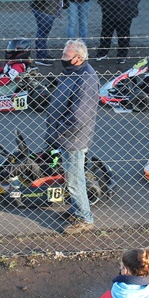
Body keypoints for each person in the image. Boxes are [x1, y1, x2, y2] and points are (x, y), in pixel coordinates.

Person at [45, 39, 99, 235]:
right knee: (73, 177)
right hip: (69, 136)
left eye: (65, 55)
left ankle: (85, 218)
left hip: (73, 138)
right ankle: (77, 210)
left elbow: (79, 116)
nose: (62, 58)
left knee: (75, 180)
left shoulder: (85, 79)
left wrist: (60, 130)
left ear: (78, 58)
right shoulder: (74, 72)